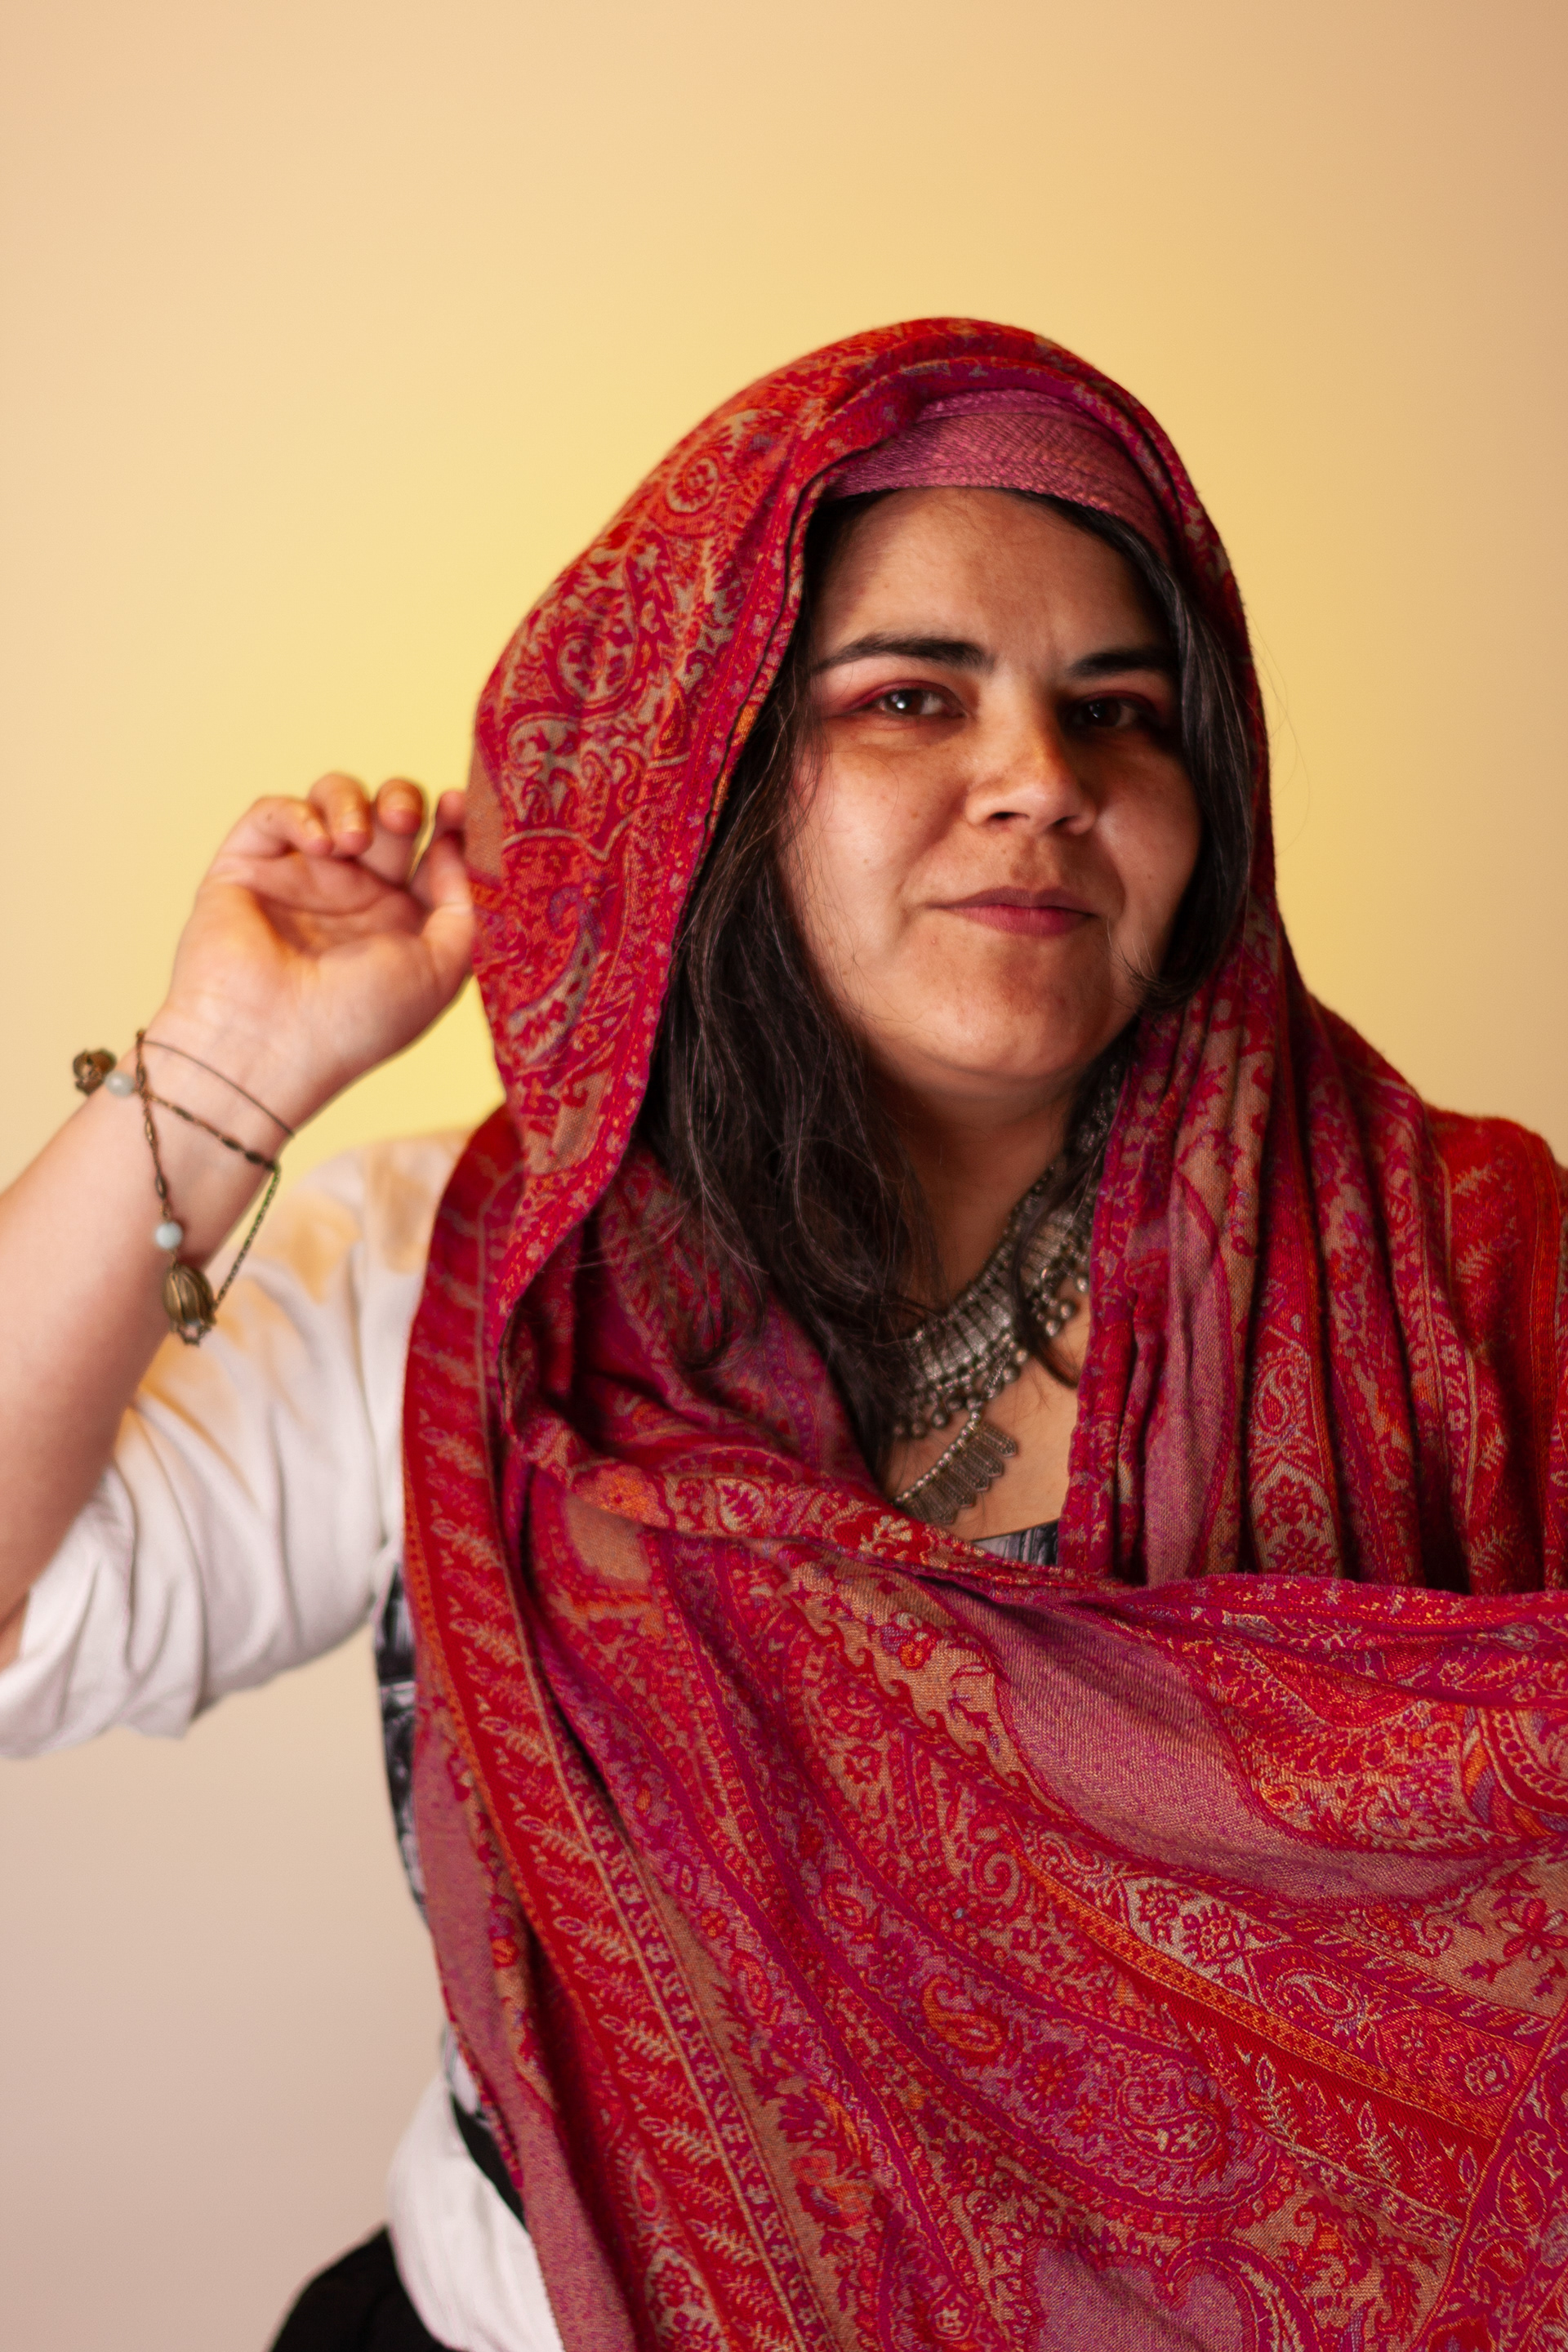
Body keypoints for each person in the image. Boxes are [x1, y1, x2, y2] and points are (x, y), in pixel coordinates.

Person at [3, 318, 1567, 2352]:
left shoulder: (1457, 1270)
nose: (1045, 782)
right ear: (714, 768)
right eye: (912, 697)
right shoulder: (477, 1284)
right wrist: (228, 1065)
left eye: (1122, 712)